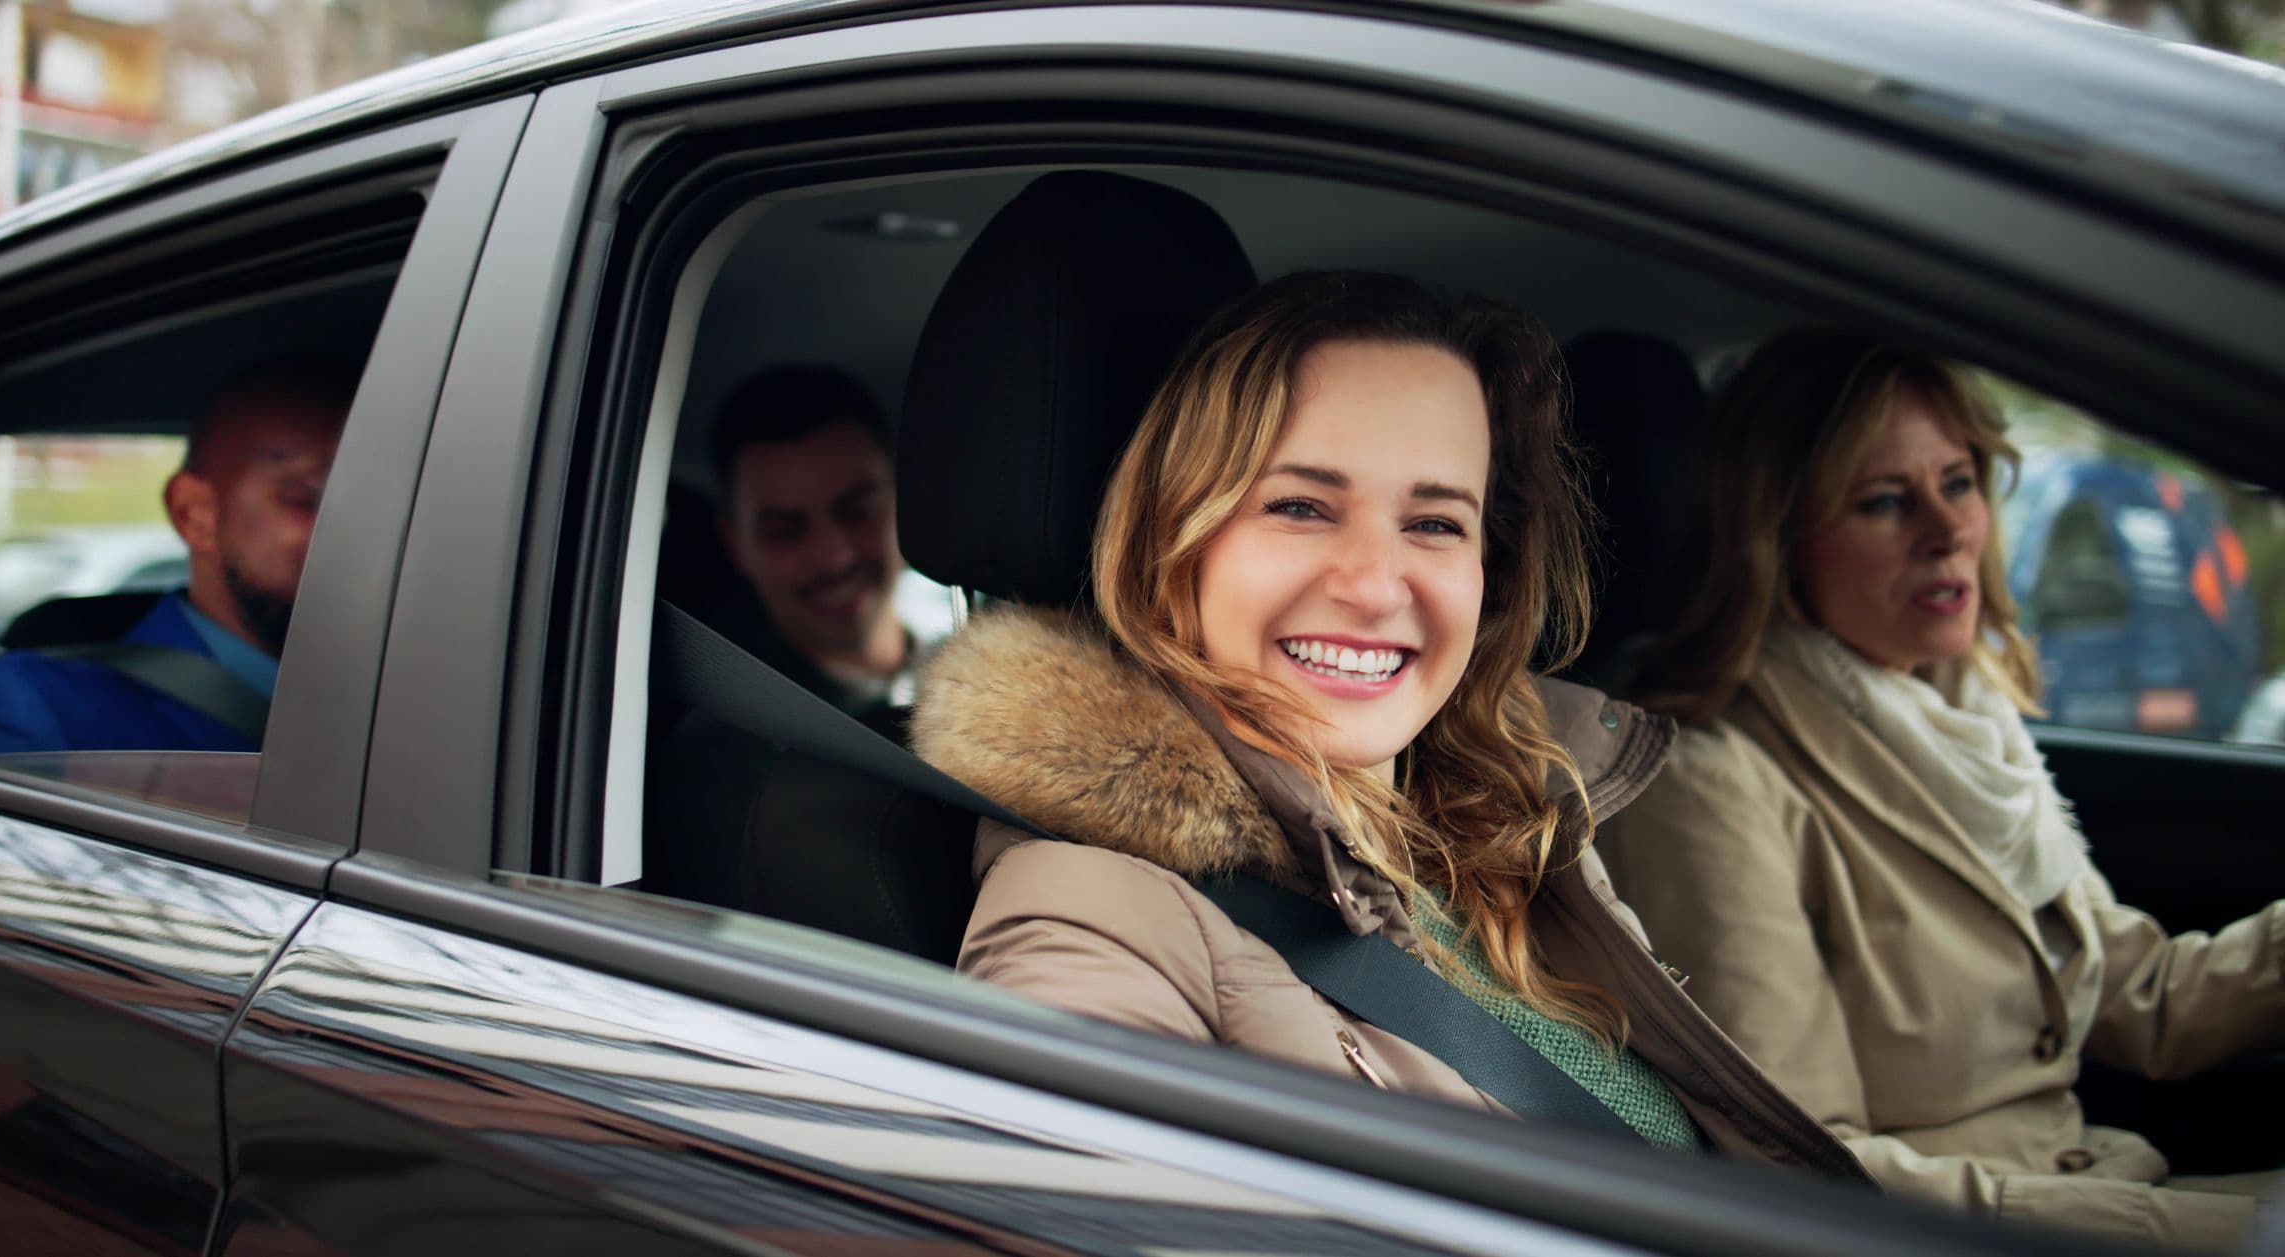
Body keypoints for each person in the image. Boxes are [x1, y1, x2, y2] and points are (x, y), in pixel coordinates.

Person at [909, 272, 1862, 1173]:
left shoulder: (1507, 824)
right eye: (1298, 506)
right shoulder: (1093, 903)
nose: (1373, 585)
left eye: (1436, 523)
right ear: (1172, 545)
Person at [1600, 329, 2285, 1250]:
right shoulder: (1709, 780)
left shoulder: (1962, 713)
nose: (1948, 528)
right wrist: (2202, 1228)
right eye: (1885, 501)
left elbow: (2146, 999)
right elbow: (1807, 1164)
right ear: (1778, 542)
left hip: (2096, 1186)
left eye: (1958, 481)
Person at [0, 358, 355, 755]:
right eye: (312, 494)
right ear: (197, 515)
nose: (364, 523)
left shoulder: (408, 693)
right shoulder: (39, 713)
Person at [711, 366, 922, 716]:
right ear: (736, 547)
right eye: (784, 530)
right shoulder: (741, 734)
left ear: (902, 502)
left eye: (857, 511)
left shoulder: (991, 631)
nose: (834, 558)